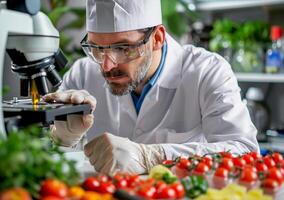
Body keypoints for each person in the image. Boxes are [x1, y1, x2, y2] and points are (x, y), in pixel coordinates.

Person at [43, 0, 259, 175]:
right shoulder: (83, 73)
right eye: (97, 48)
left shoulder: (207, 71)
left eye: (122, 48)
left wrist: (153, 155)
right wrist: (62, 139)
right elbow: (44, 162)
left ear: (157, 38)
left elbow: (245, 151)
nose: (107, 65)